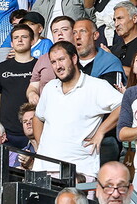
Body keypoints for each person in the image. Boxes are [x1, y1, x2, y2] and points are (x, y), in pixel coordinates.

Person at [33, 41, 122, 177]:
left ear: (74, 58)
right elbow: (38, 117)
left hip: (80, 171)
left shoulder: (96, 86)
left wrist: (101, 132)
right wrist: (41, 147)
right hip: (44, 170)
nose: (58, 66)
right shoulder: (50, 87)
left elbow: (122, 105)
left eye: (62, 60)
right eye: (53, 62)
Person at [0, 25, 36, 147]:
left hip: (35, 129)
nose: (19, 40)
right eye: (16, 38)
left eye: (24, 37)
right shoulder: (0, 68)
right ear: (11, 42)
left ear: (32, 41)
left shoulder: (39, 66)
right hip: (7, 132)